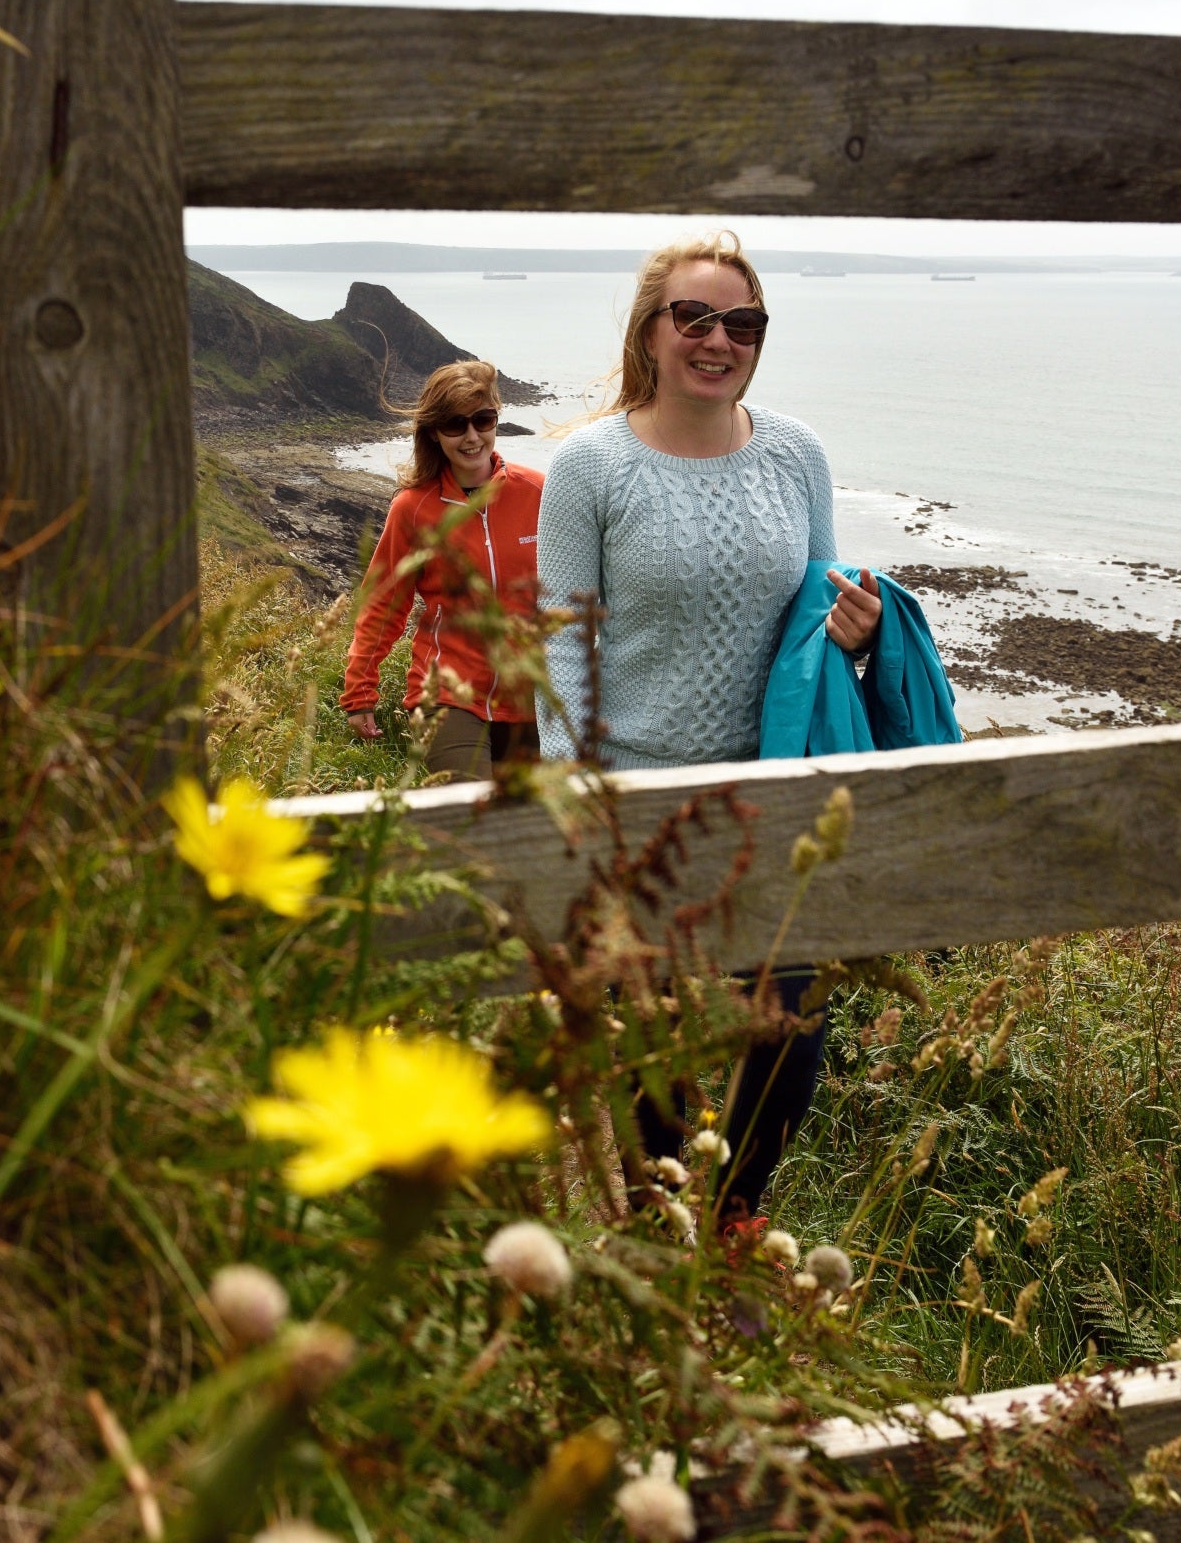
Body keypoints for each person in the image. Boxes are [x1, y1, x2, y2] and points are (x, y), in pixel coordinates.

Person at [535, 232, 881, 1222]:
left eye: (742, 323)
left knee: (791, 1037)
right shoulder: (590, 466)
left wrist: (855, 634)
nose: (717, 339)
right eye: (693, 317)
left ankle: (733, 1224)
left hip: (774, 794)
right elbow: (561, 641)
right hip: (639, 807)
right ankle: (657, 1237)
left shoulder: (798, 453)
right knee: (656, 1061)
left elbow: (813, 617)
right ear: (651, 331)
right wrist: (573, 786)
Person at [341, 361, 545, 782]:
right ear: (434, 432)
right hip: (447, 695)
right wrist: (360, 691)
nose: (471, 437)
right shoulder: (413, 508)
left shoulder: (540, 492)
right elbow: (383, 604)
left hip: (532, 697)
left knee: (529, 816)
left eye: (482, 420)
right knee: (466, 807)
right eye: (455, 425)